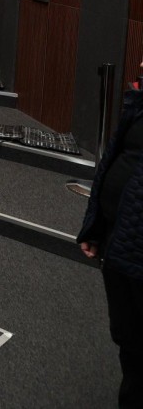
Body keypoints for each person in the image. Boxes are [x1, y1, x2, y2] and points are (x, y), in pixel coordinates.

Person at [78, 61, 143, 407]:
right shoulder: (139, 104)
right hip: (120, 241)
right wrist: (97, 226)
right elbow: (113, 166)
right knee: (128, 339)